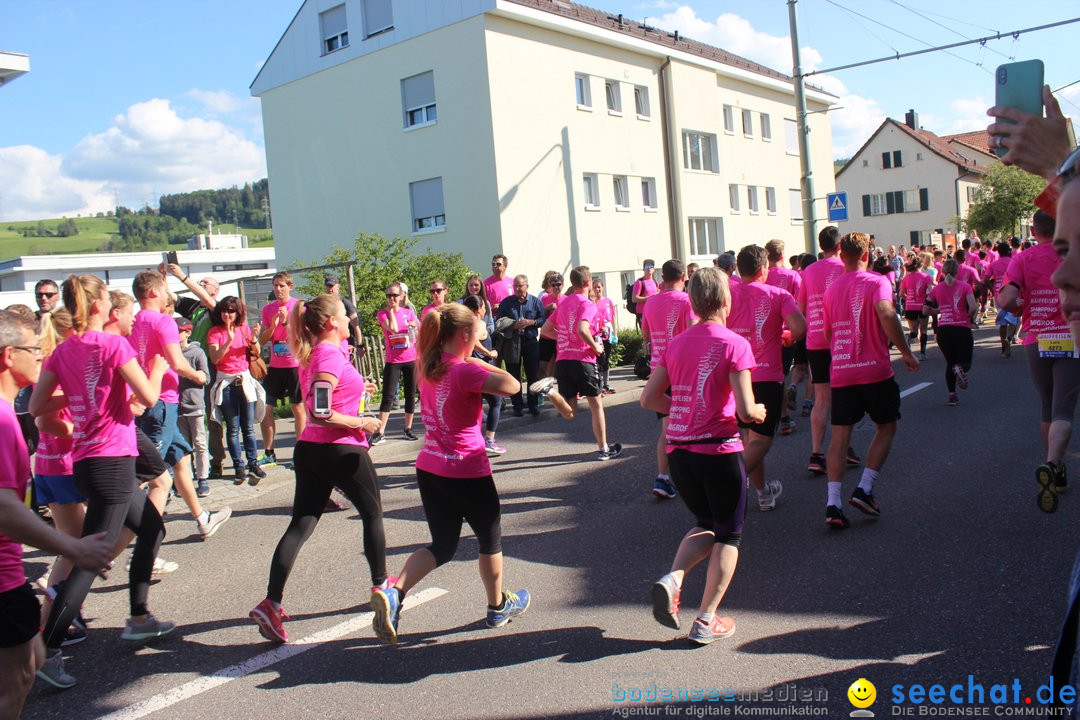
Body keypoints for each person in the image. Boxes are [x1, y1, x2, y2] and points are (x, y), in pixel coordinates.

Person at [29, 275, 177, 689]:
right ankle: (49, 649)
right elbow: (148, 397)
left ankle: (139, 617)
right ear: (98, 306)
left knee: (151, 528)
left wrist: (80, 393)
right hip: (111, 461)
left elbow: (38, 406)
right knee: (88, 559)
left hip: (90, 461)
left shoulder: (62, 352)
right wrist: (161, 366)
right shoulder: (113, 345)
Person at [371, 303, 529, 644]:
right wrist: (473, 358)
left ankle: (395, 594)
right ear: (465, 335)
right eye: (476, 333)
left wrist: (466, 355)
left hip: (430, 467)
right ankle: (497, 606)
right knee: (489, 540)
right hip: (467, 468)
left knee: (442, 545)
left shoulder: (427, 365)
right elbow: (513, 385)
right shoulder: (463, 370)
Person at [250, 295, 387, 644]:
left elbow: (325, 395)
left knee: (301, 524)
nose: (349, 318)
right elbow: (320, 411)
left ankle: (271, 603)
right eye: (344, 314)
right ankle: (384, 589)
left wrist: (359, 389)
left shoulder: (322, 352)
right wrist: (363, 422)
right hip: (338, 448)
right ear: (331, 323)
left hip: (311, 449)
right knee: (372, 514)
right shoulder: (326, 353)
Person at [640, 267, 766, 645]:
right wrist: (759, 412)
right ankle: (706, 620)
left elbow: (649, 399)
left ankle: (674, 577)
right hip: (719, 449)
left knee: (707, 522)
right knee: (729, 535)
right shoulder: (734, 343)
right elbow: (745, 410)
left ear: (692, 302)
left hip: (679, 452)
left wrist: (684, 407)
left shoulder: (677, 343)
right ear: (726, 300)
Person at [0, 309, 114, 713]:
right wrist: (72, 547)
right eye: (33, 349)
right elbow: (3, 507)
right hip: (2, 580)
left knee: (30, 665)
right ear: (7, 356)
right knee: (12, 689)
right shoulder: (1, 419)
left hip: (11, 576)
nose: (39, 355)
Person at [821, 233, 919, 529]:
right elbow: (887, 314)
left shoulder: (831, 289)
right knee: (887, 426)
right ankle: (864, 488)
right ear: (866, 255)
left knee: (839, 438)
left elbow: (828, 335)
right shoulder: (878, 282)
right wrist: (906, 352)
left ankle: (833, 504)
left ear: (842, 255)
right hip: (874, 369)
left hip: (842, 370)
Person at [998, 209, 1078, 513]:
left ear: (1033, 230)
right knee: (1064, 409)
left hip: (1036, 338)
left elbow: (1006, 301)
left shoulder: (1023, 258)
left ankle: (1055, 470)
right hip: (1070, 336)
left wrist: (1020, 309)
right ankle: (1053, 464)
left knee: (1047, 405)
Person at [727, 245, 806, 512]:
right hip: (766, 375)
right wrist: (788, 336)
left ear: (739, 269)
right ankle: (730, 483)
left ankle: (763, 493)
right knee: (760, 441)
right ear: (763, 270)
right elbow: (799, 328)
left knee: (751, 440)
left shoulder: (727, 293)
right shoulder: (779, 294)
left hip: (735, 377)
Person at [532, 266, 623, 461]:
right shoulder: (587, 304)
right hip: (583, 360)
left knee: (570, 412)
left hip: (564, 361)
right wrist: (595, 347)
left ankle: (550, 391)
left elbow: (546, 330)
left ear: (572, 283)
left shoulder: (563, 303)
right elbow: (583, 329)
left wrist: (566, 337)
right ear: (588, 282)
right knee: (596, 404)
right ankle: (604, 449)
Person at [798, 226, 862, 477]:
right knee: (845, 394)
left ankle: (816, 453)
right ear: (839, 247)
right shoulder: (845, 266)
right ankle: (844, 447)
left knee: (822, 398)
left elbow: (801, 306)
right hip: (841, 338)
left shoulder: (809, 270)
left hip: (816, 341)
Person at [158, 264, 226, 479]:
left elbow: (207, 300)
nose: (202, 285)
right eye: (202, 283)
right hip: (185, 364)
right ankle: (189, 462)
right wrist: (162, 278)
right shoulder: (193, 307)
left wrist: (182, 276)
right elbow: (169, 298)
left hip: (208, 368)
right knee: (184, 415)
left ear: (216, 290)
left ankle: (217, 460)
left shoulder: (218, 309)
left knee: (210, 414)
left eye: (206, 283)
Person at [641, 260, 696, 498]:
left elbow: (645, 334)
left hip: (658, 371)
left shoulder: (651, 302)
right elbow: (694, 331)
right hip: (683, 370)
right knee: (692, 422)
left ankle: (663, 478)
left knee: (668, 427)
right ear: (684, 277)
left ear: (662, 277)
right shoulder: (687, 301)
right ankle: (694, 475)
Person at [208, 296, 265, 484]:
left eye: (232, 311)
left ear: (238, 312)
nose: (227, 314)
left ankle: (253, 463)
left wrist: (255, 338)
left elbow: (255, 351)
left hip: (244, 380)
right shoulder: (215, 332)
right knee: (232, 428)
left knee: (248, 427)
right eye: (225, 310)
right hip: (226, 383)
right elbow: (215, 358)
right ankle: (238, 466)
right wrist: (228, 342)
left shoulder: (243, 328)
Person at [259, 271, 306, 466]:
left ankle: (301, 453)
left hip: (294, 365)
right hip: (276, 366)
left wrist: (287, 322)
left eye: (282, 286)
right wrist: (273, 325)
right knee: (265, 408)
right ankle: (269, 452)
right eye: (275, 286)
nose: (278, 290)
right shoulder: (268, 309)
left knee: (297, 407)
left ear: (290, 287)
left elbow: (304, 335)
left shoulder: (299, 307)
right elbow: (262, 340)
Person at [764, 239, 805, 435]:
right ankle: (783, 418)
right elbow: (801, 303)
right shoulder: (793, 275)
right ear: (782, 255)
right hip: (785, 334)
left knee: (763, 376)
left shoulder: (761, 276)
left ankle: (763, 416)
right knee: (780, 377)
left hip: (762, 332)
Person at [924, 260, 977, 407]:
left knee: (950, 363)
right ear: (957, 272)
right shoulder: (965, 287)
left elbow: (925, 310)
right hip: (961, 327)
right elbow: (973, 306)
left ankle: (952, 395)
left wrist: (939, 311)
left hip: (944, 330)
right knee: (965, 363)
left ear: (943, 272)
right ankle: (960, 369)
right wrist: (969, 316)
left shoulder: (937, 289)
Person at [372, 281, 419, 445]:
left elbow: (418, 331)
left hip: (410, 359)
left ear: (401, 296)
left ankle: (408, 428)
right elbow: (392, 329)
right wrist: (392, 311)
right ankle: (380, 432)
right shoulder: (382, 314)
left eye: (394, 295)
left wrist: (414, 325)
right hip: (393, 361)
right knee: (388, 396)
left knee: (410, 394)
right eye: (388, 295)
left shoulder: (408, 312)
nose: (391, 298)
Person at [496, 274, 545, 417]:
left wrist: (532, 322)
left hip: (530, 342)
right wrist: (513, 324)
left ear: (526, 286)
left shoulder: (535, 302)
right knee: (513, 375)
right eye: (515, 286)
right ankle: (517, 405)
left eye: (520, 285)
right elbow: (499, 321)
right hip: (512, 342)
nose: (517, 288)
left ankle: (533, 404)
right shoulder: (507, 302)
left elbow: (543, 319)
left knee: (533, 375)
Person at [462, 294, 505, 454]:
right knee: (496, 402)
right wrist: (490, 352)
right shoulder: (477, 323)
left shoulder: (462, 325)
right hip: (481, 368)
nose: (485, 309)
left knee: (475, 406)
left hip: (465, 368)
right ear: (478, 309)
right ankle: (489, 440)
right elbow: (473, 342)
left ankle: (471, 440)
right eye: (483, 306)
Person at [177, 318, 211, 497]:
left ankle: (203, 478)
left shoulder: (197, 353)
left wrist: (188, 373)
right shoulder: (170, 352)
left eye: (179, 331)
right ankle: (186, 480)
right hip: (177, 406)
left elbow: (206, 377)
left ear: (187, 333)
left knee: (200, 443)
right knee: (183, 446)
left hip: (195, 404)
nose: (176, 334)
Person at [985, 242, 1019, 356]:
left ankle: (1003, 348)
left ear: (998, 252)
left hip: (998, 294)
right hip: (1012, 293)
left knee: (1002, 322)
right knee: (1014, 319)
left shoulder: (994, 264)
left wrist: (992, 288)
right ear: (1008, 251)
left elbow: (985, 278)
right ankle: (1009, 339)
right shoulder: (1013, 262)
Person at [900, 258, 932, 361]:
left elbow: (901, 294)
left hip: (910, 306)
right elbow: (931, 293)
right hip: (922, 306)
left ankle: (909, 338)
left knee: (913, 331)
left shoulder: (906, 278)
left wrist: (908, 298)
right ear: (921, 265)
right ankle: (922, 354)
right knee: (923, 330)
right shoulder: (926, 277)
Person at [325, 274, 363, 351]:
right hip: (331, 344)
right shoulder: (325, 304)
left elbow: (356, 326)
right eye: (328, 286)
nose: (330, 289)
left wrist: (359, 346)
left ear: (338, 287)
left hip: (347, 345)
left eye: (332, 286)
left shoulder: (346, 304)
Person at [592, 276, 617, 394]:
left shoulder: (608, 301)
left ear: (603, 288)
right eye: (595, 287)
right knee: (599, 359)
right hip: (597, 334)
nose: (597, 289)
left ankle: (606, 383)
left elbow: (612, 318)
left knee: (607, 358)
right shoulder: (592, 303)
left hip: (608, 332)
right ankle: (600, 384)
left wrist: (615, 334)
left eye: (599, 287)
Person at [537, 272, 564, 379]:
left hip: (560, 337)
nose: (556, 287)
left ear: (563, 285)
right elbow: (538, 315)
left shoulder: (567, 299)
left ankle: (555, 391)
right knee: (542, 366)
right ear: (550, 285)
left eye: (558, 284)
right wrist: (547, 308)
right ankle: (544, 391)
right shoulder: (544, 298)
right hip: (546, 337)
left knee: (559, 367)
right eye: (553, 285)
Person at [631, 259, 659, 329]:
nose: (649, 269)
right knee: (646, 336)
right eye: (647, 267)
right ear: (643, 269)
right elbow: (634, 299)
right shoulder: (639, 282)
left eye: (651, 266)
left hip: (653, 312)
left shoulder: (654, 281)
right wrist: (649, 298)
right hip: (642, 313)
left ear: (654, 269)